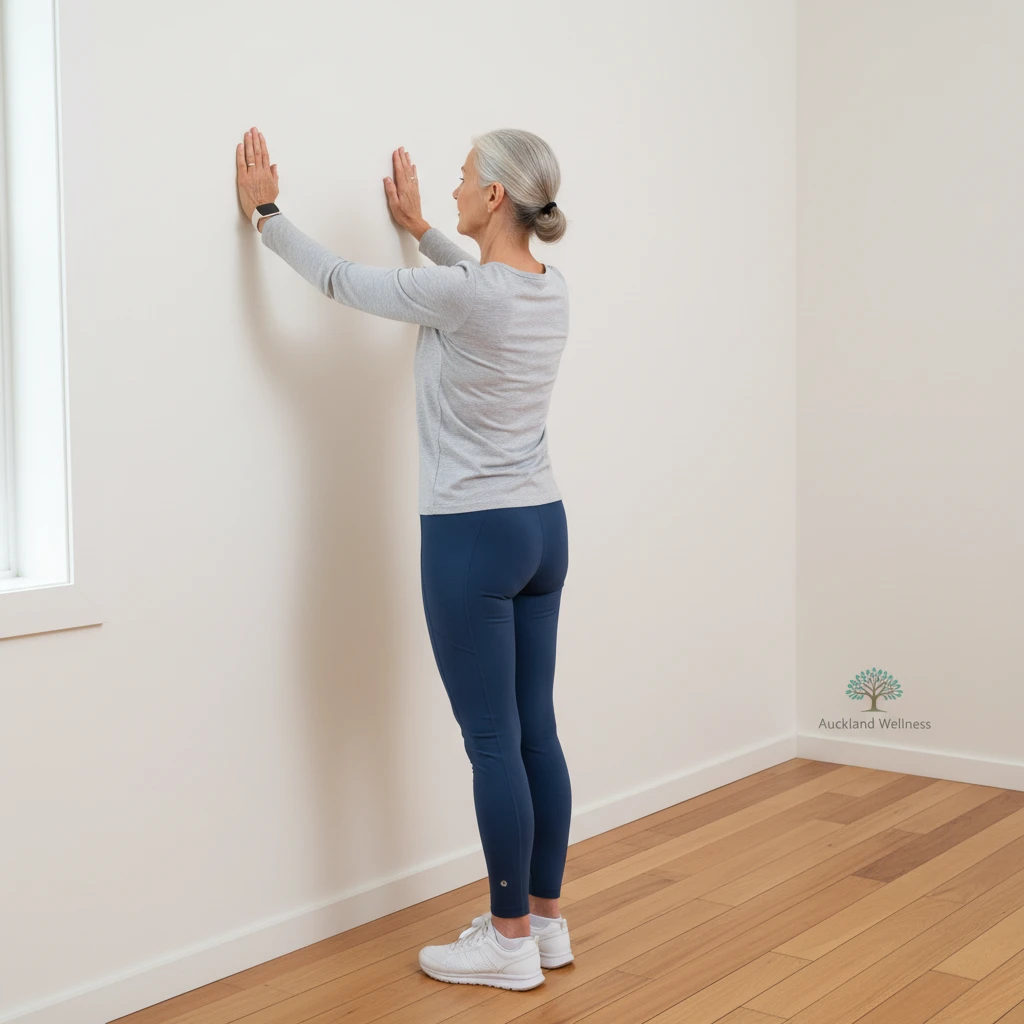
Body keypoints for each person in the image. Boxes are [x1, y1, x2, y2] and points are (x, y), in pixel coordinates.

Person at [236, 126, 574, 991]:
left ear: (496, 196)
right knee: (535, 730)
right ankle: (542, 924)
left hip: (472, 537)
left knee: (491, 742)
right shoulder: (548, 289)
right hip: (542, 528)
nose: (455, 189)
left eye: (464, 180)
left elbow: (346, 282)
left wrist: (267, 214)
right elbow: (471, 277)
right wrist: (423, 227)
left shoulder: (469, 298)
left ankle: (503, 947)